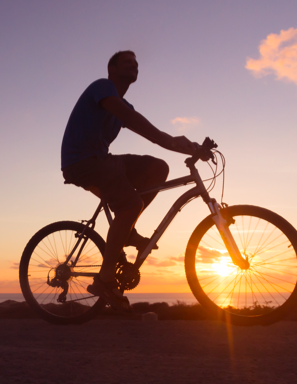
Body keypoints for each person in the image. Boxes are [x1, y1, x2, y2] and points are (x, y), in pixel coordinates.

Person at [60, 50, 198, 309]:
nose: (134, 66)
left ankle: (127, 228)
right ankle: (105, 279)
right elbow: (138, 123)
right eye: (127, 62)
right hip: (82, 161)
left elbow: (139, 125)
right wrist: (170, 141)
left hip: (102, 160)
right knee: (131, 204)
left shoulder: (124, 107)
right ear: (111, 68)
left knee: (157, 168)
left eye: (136, 64)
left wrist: (189, 146)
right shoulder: (102, 87)